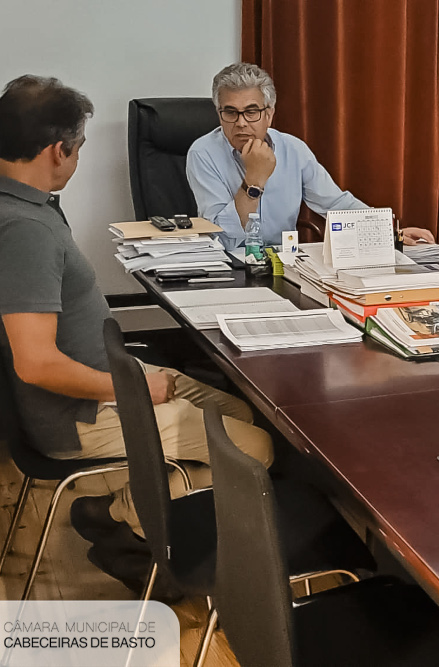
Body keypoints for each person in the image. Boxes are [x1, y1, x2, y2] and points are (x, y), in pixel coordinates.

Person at [0, 75, 273, 583]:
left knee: (240, 411)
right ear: (59, 151)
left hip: (105, 377)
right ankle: (127, 522)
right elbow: (34, 362)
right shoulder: (24, 230)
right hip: (77, 413)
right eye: (78, 148)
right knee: (253, 450)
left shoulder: (25, 206)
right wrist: (137, 389)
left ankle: (126, 511)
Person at [187, 62, 434, 252]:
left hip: (284, 264)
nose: (241, 123)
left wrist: (391, 233)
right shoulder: (203, 153)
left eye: (251, 112)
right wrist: (254, 180)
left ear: (269, 114)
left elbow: (336, 204)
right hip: (230, 267)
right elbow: (221, 235)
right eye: (230, 112)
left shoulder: (293, 149)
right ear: (219, 115)